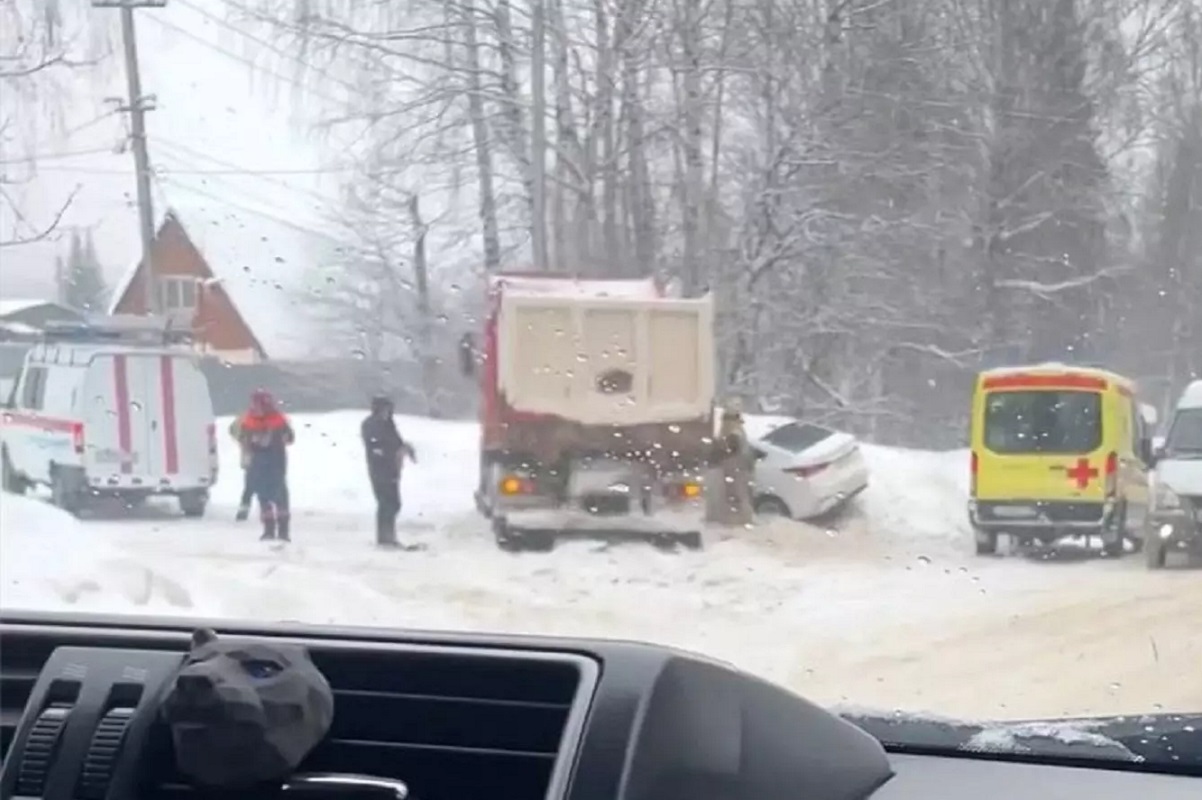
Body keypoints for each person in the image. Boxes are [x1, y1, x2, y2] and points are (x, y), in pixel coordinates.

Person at [238, 389, 295, 542]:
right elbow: (243, 439)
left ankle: (279, 531)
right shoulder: (252, 420)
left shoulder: (274, 419)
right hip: (265, 463)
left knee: (275, 496)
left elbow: (289, 437)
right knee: (268, 497)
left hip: (271, 463)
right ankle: (273, 530)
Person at [361, 395, 417, 547]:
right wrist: (385, 452)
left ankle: (388, 535)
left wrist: (405, 449)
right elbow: (374, 444)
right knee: (386, 502)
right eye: (385, 409)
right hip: (379, 469)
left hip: (392, 469)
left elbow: (397, 442)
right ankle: (384, 537)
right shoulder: (371, 424)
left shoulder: (389, 425)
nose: (387, 412)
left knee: (394, 503)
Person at [707, 401, 754, 526]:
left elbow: (726, 452)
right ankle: (740, 521)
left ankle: (736, 522)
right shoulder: (737, 432)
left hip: (734, 474)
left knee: (735, 499)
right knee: (738, 498)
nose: (723, 421)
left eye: (725, 418)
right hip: (738, 474)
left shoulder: (733, 434)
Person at [228, 416, 255, 522]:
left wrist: (240, 439)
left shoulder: (245, 418)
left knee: (249, 488)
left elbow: (232, 429)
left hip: (250, 459)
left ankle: (244, 510)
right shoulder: (246, 418)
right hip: (260, 459)